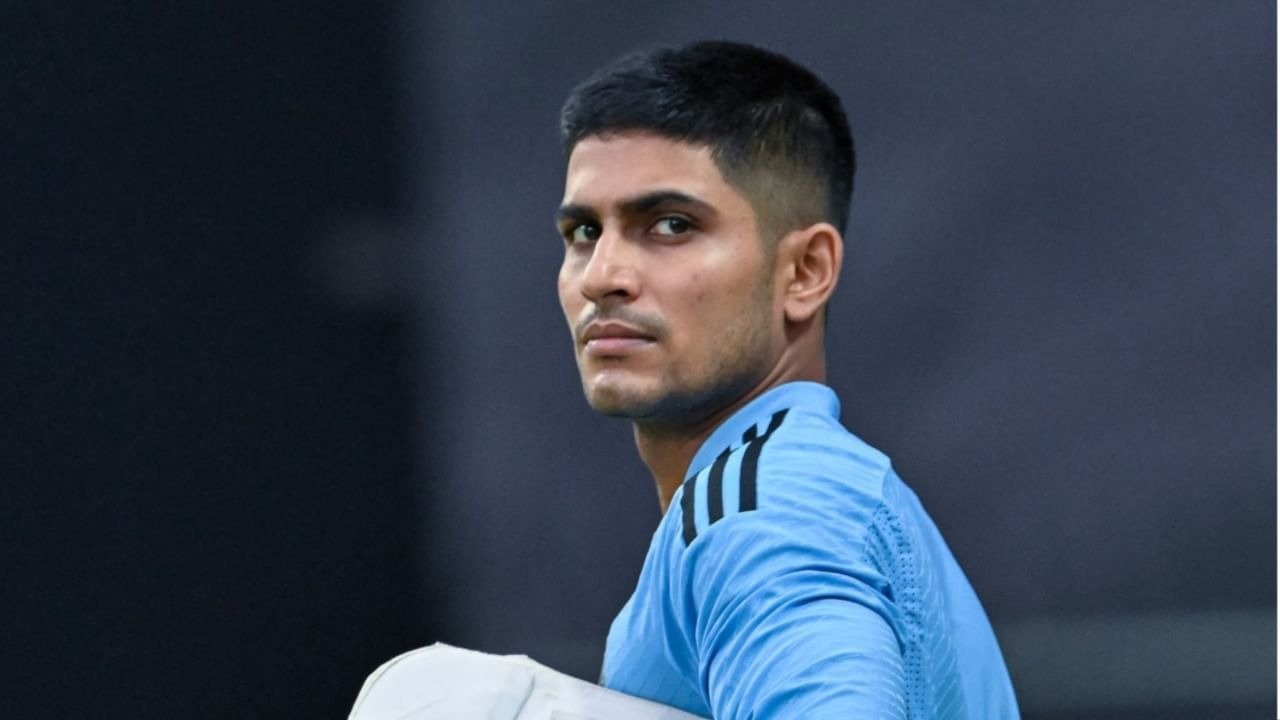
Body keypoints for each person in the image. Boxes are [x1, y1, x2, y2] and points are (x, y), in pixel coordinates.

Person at [554, 41, 1020, 718]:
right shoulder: (800, 491)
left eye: (671, 225)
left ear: (805, 272)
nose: (601, 275)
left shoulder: (763, 511)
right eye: (583, 231)